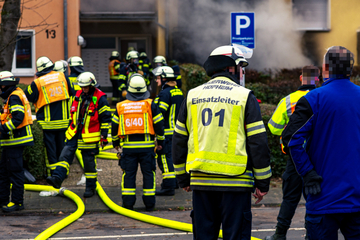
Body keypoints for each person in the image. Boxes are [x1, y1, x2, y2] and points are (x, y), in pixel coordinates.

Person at [172, 45, 271, 239]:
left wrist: (182, 177)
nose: (242, 71)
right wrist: (263, 182)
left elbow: (179, 140)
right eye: (240, 67)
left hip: (202, 184)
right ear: (230, 67)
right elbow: (258, 143)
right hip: (236, 184)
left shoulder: (192, 95)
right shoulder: (244, 96)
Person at [282, 46, 360, 239]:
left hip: (323, 200)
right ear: (350, 70)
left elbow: (290, 139)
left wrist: (307, 173)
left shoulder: (313, 99)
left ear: (325, 68)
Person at [264, 66, 319, 240]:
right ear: (317, 79)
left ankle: (280, 234)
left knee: (289, 198)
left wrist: (288, 129)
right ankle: (311, 234)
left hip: (295, 157)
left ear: (301, 78)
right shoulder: (321, 98)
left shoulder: (288, 101)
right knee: (315, 196)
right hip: (317, 157)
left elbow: (273, 127)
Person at [46, 72, 111, 198]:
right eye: (82, 87)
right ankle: (57, 178)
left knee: (88, 163)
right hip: (74, 133)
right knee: (64, 156)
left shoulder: (100, 98)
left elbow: (105, 119)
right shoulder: (78, 95)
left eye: (86, 86)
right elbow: (73, 114)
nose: (84, 89)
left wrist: (104, 136)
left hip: (89, 136)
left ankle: (90, 187)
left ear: (92, 85)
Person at [112, 74, 165, 211]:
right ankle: (149, 203)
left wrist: (115, 142)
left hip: (128, 149)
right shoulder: (150, 104)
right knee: (148, 174)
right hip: (147, 149)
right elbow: (159, 124)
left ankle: (128, 203)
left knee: (129, 175)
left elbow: (114, 126)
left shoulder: (121, 106)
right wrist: (160, 141)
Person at [25, 56, 74, 177]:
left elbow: (28, 97)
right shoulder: (63, 77)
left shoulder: (37, 82)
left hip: (48, 124)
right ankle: (63, 173)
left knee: (50, 151)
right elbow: (72, 93)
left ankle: (53, 174)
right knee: (63, 148)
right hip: (64, 121)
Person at [0, 71, 34, 212]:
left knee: (15, 172)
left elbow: (17, 118)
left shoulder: (14, 97)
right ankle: (3, 200)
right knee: (3, 171)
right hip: (10, 142)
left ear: (6, 86)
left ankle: (17, 203)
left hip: (16, 140)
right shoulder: (15, 94)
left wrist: (2, 128)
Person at [153, 66, 184, 196]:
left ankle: (168, 186)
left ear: (164, 78)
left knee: (165, 159)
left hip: (166, 132)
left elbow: (160, 114)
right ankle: (176, 182)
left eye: (158, 78)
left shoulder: (165, 93)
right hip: (177, 132)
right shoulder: (179, 92)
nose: (156, 80)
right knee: (173, 158)